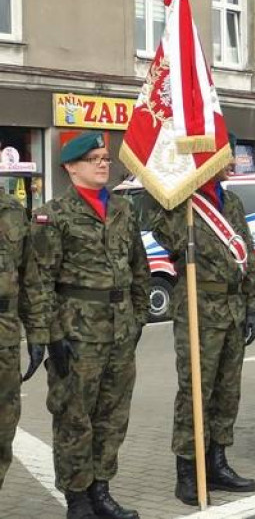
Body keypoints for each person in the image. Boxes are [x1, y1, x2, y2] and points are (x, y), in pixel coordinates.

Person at [24, 132, 149, 519]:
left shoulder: (124, 210)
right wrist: (49, 336)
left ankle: (101, 490)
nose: (102, 164)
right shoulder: (53, 214)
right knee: (74, 417)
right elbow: (39, 279)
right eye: (93, 158)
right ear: (70, 167)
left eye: (105, 157)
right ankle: (77, 499)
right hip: (77, 334)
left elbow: (139, 268)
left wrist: (138, 315)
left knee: (112, 416)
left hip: (119, 331)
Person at [150, 135, 255, 505]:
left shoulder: (230, 202)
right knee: (196, 392)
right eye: (225, 155)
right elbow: (163, 232)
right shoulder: (184, 203)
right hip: (200, 308)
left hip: (231, 309)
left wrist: (251, 304)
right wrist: (177, 189)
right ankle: (187, 470)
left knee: (227, 392)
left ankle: (217, 462)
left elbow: (246, 256)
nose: (232, 161)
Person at [0, 190, 29, 492]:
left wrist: (37, 332)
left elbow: (28, 275)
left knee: (4, 426)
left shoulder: (13, 209)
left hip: (6, 335)